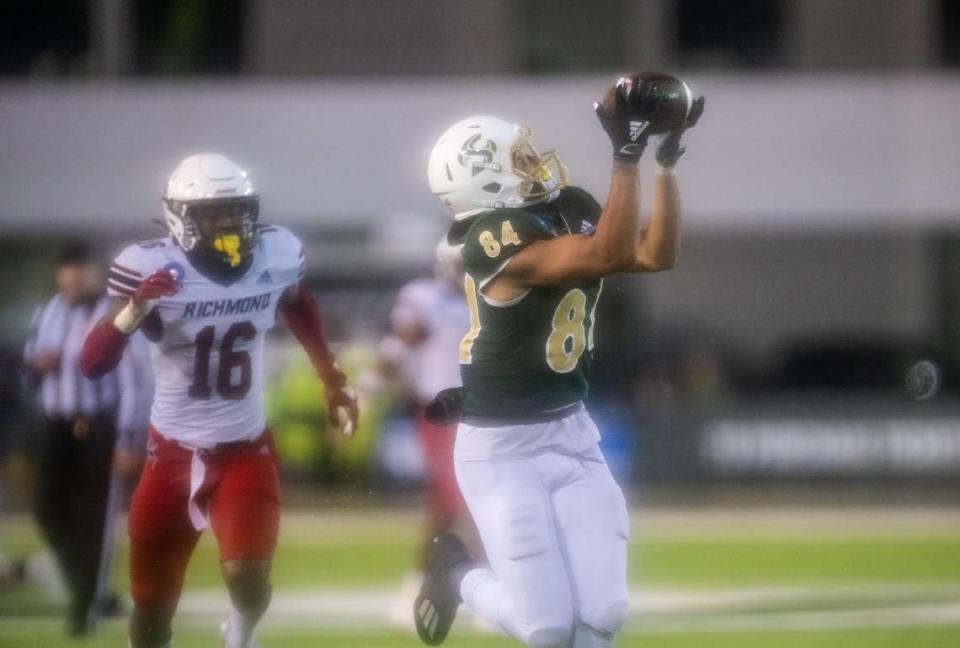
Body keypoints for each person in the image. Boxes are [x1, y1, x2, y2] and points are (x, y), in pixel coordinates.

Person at [413, 74, 704, 647]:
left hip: (571, 432)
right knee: (546, 629)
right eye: (515, 159)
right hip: (502, 450)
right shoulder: (488, 236)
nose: (533, 162)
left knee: (603, 616)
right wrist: (627, 152)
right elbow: (609, 252)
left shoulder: (566, 205)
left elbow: (654, 253)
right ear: (487, 182)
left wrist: (665, 160)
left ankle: (464, 576)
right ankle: (458, 574)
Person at [80, 153, 359, 648]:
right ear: (180, 217)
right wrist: (134, 308)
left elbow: (298, 304)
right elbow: (92, 363)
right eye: (214, 212)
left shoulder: (275, 253)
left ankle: (241, 633)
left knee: (248, 578)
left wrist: (330, 377)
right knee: (151, 611)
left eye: (236, 209)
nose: (230, 221)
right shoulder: (150, 268)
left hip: (244, 449)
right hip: (168, 455)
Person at [22, 241, 152, 635]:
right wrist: (37, 365)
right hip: (58, 424)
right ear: (59, 274)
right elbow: (31, 363)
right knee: (48, 510)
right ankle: (90, 587)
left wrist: (129, 438)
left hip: (99, 426)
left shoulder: (114, 313)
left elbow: (134, 380)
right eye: (68, 267)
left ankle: (84, 607)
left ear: (97, 273)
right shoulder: (48, 312)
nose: (75, 275)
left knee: (94, 518)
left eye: (82, 267)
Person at [377, 240, 483, 626]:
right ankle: (492, 585)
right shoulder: (425, 297)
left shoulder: (493, 296)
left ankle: (417, 584)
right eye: (461, 263)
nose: (467, 271)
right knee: (467, 499)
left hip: (486, 412)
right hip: (440, 413)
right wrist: (371, 384)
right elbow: (400, 342)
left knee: (443, 509)